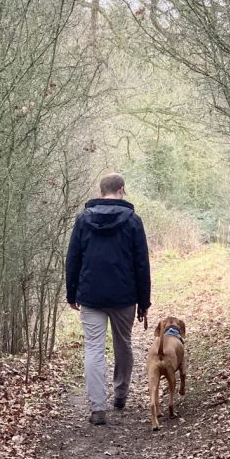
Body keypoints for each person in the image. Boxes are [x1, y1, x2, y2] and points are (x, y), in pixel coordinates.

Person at [65, 172, 151, 425]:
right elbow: (141, 264)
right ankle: (121, 394)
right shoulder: (133, 221)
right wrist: (144, 301)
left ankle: (97, 408)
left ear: (101, 191)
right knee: (123, 343)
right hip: (124, 295)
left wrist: (72, 293)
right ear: (122, 189)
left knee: (93, 348)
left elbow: (73, 259)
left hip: (91, 294)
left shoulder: (83, 220)